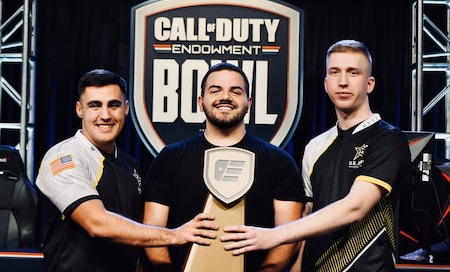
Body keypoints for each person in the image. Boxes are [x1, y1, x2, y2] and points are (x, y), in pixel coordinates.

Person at [221, 40, 411, 272]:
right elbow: (307, 218)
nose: (343, 81)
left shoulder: (388, 138)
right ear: (325, 83)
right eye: (335, 72)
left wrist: (274, 236)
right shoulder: (315, 146)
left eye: (353, 72)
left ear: (369, 83)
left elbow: (356, 207)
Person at [36, 69, 218, 272]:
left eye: (113, 105)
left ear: (126, 108)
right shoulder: (64, 157)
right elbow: (97, 224)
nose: (105, 115)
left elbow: (135, 234)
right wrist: (176, 235)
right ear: (80, 110)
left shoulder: (130, 165)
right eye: (95, 105)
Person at [142, 62, 306, 271]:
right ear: (201, 102)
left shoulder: (279, 161)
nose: (225, 97)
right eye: (215, 90)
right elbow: (153, 228)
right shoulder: (170, 158)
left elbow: (289, 236)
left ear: (249, 102)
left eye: (235, 91)